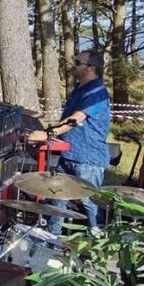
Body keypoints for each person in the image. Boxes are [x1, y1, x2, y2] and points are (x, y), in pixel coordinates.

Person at [29, 50, 111, 233]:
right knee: (57, 196)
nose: (73, 65)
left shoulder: (98, 92)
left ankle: (98, 242)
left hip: (88, 159)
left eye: (77, 62)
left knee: (89, 202)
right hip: (69, 155)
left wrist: (47, 134)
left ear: (91, 68)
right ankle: (52, 240)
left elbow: (77, 118)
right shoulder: (80, 89)